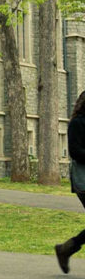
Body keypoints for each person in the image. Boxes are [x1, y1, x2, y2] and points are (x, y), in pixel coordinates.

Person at [56, 90, 85, 273]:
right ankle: (66, 249)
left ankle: (66, 249)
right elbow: (75, 151)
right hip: (83, 180)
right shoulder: (77, 123)